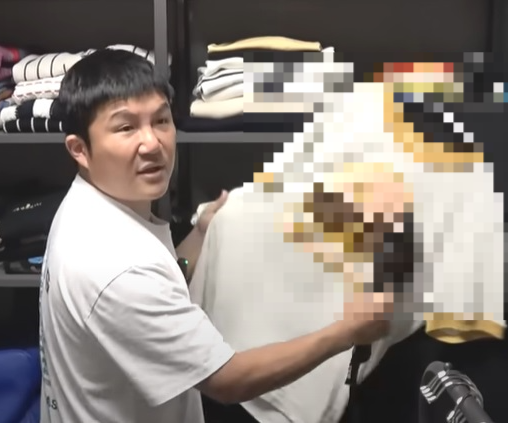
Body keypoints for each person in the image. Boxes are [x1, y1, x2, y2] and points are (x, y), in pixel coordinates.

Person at [38, 48, 391, 423]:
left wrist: (200, 234)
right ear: (80, 149)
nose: (153, 143)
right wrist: (347, 332)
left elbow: (158, 280)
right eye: (126, 128)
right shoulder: (116, 266)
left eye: (161, 120)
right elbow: (228, 381)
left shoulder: (88, 208)